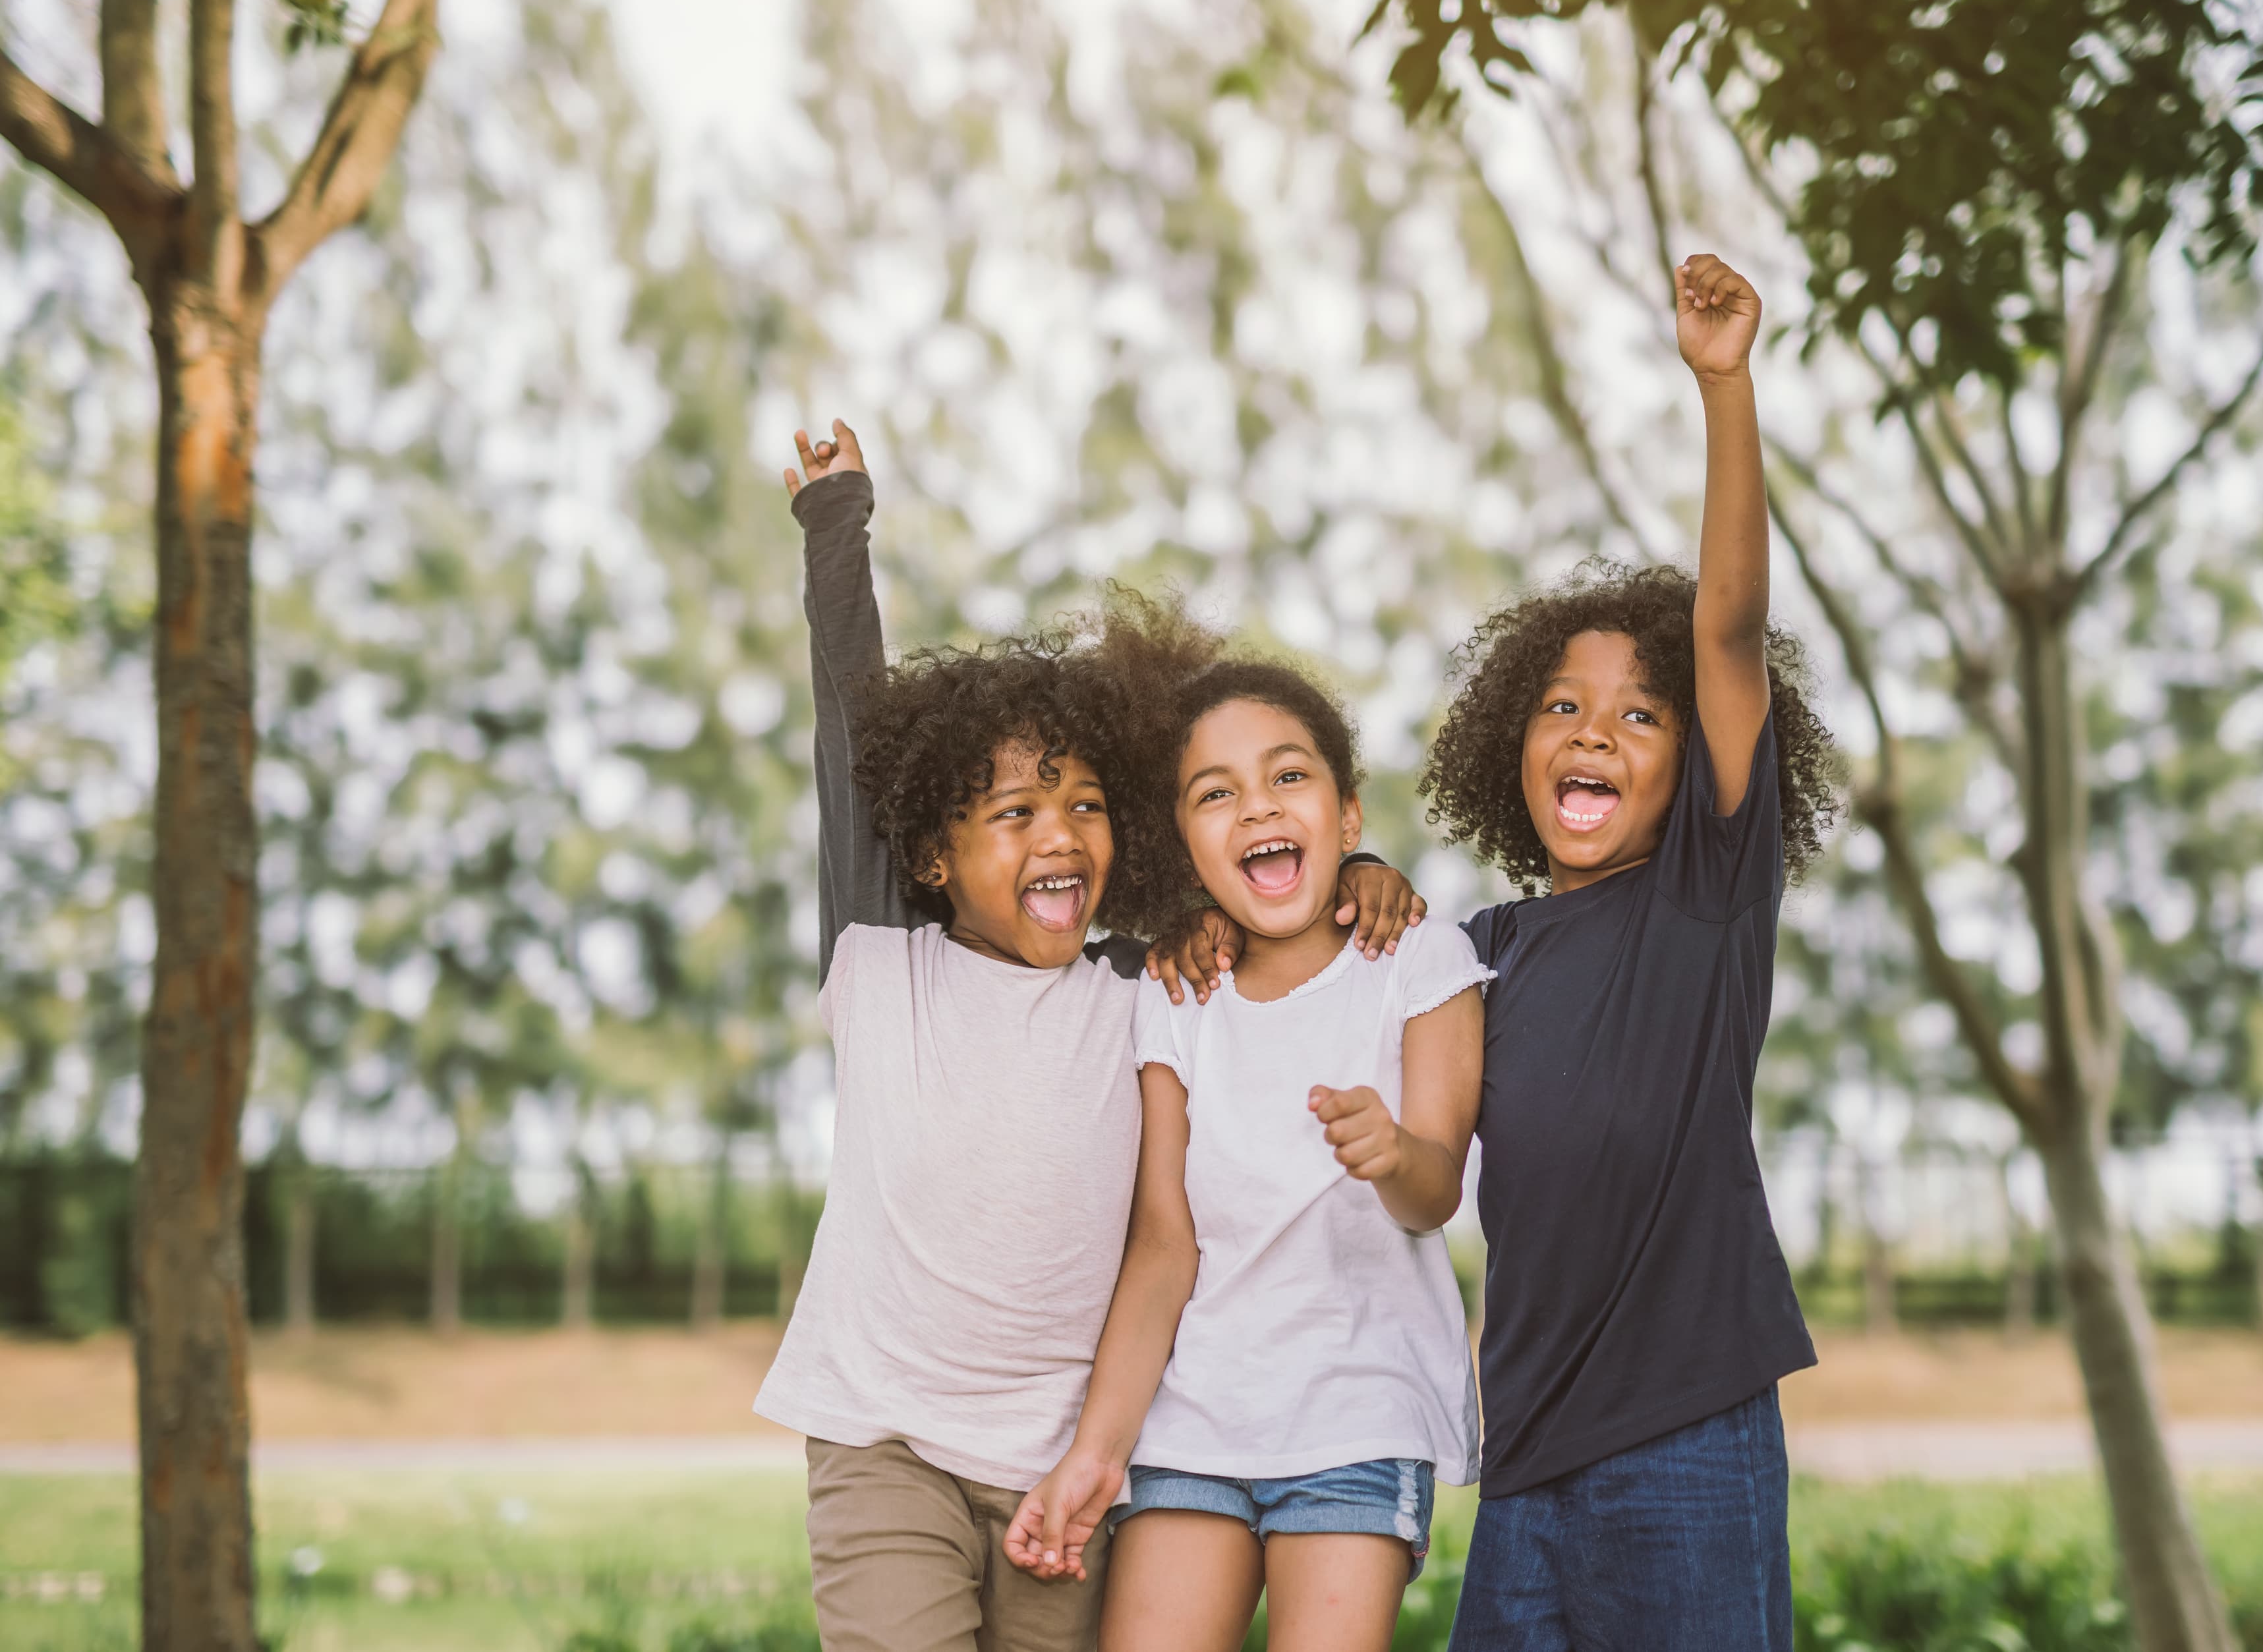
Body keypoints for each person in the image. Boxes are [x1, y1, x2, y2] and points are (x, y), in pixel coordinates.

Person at [757, 422, 1427, 1652]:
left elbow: (1263, 876)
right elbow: (850, 733)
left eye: (1087, 806)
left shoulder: (1147, 981)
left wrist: (1360, 873)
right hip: (885, 1439)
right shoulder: (880, 958)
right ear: (930, 854)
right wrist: (835, 524)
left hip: (1070, 1462)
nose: (1060, 833)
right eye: (1015, 813)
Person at [1417, 258, 1843, 1652]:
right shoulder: (1470, 956)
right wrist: (1358, 881)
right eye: (1562, 705)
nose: (1594, 731)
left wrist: (1724, 389)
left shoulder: (1704, 904)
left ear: (1692, 765)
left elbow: (1725, 625)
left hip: (1688, 1443)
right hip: (1525, 1460)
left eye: (1640, 717)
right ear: (1510, 745)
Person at [1001, 656, 1488, 1652]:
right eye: (1214, 794)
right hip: (1193, 1426)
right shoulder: (1174, 998)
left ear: (1349, 820)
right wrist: (1094, 1457)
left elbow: (1434, 1193)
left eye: (1288, 777)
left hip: (1360, 1420)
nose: (1256, 807)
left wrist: (1393, 1152)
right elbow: (1162, 1248)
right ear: (1184, 847)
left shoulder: (1420, 961)